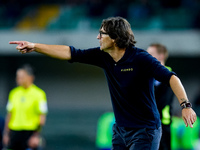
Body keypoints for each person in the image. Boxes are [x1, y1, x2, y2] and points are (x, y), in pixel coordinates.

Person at [9, 16, 196, 150]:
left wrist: (186, 105)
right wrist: (35, 46)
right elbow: (70, 52)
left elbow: (172, 78)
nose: (98, 37)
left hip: (145, 130)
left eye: (102, 33)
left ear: (114, 38)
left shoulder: (141, 58)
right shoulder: (103, 56)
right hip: (120, 130)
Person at [3, 64, 48, 150]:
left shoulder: (39, 94)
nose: (18, 79)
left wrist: (36, 136)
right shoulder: (13, 93)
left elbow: (42, 117)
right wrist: (6, 134)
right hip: (14, 133)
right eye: (18, 76)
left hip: (29, 133)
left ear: (30, 77)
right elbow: (9, 114)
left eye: (21, 76)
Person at [147, 43, 174, 150]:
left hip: (163, 123)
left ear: (161, 56)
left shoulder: (170, 76)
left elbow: (163, 101)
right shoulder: (148, 76)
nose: (147, 56)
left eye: (151, 54)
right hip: (149, 124)